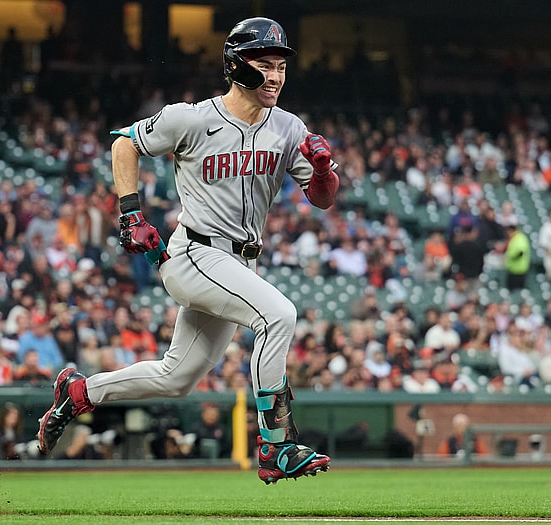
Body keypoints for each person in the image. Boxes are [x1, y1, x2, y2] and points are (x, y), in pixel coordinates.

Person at [36, 17, 335, 484]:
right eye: (264, 64)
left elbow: (322, 198)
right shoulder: (192, 118)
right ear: (237, 66)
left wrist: (321, 170)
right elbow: (124, 145)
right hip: (196, 253)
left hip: (240, 261)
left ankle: (79, 391)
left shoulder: (289, 127)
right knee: (278, 314)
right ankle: (275, 446)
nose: (275, 75)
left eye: (280, 65)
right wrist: (130, 213)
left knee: (177, 378)